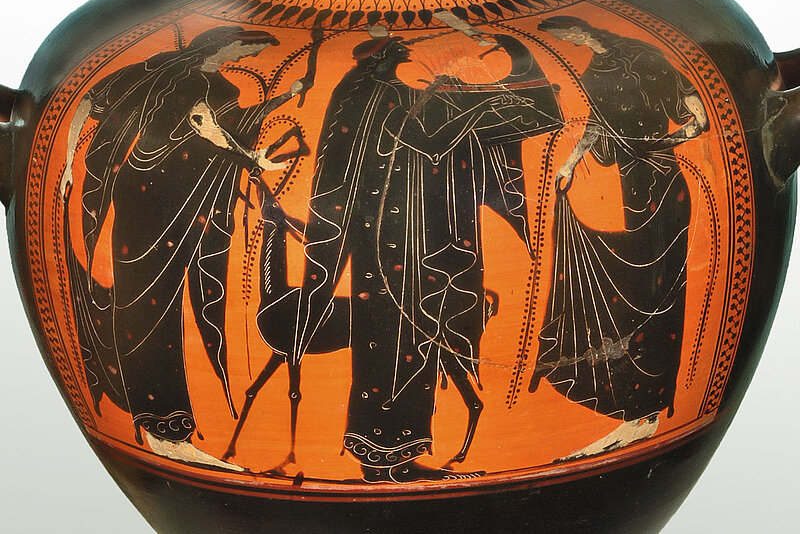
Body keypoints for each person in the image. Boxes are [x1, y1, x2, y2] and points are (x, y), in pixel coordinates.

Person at [292, 32, 562, 482]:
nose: (407, 61)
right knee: (397, 342)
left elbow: (534, 115)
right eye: (400, 56)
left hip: (410, 242)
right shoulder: (385, 98)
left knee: (408, 341)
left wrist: (503, 61)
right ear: (385, 62)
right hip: (396, 245)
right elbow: (431, 138)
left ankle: (391, 455)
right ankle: (386, 456)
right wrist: (472, 84)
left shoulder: (365, 94)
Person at [61, 26, 305, 470]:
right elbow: (207, 127)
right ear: (223, 45)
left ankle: (162, 427)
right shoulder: (184, 78)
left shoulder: (194, 79)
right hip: (153, 201)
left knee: (159, 305)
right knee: (149, 307)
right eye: (245, 49)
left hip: (175, 202)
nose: (243, 58)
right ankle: (163, 429)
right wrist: (65, 166)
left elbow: (228, 123)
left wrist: (284, 98)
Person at [529, 16, 709, 459]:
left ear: (581, 29)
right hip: (633, 186)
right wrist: (571, 162)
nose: (569, 41)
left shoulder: (645, 55)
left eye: (568, 35)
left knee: (660, 291)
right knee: (638, 290)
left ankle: (648, 411)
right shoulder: (594, 71)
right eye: (563, 40)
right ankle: (638, 409)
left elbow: (700, 118)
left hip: (665, 187)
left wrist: (660, 145)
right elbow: (598, 123)